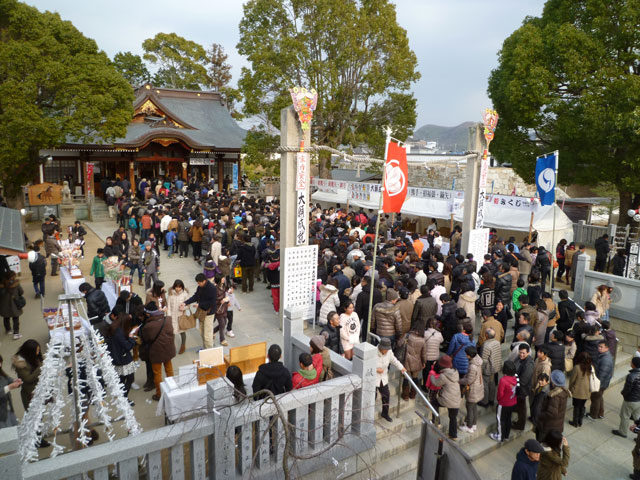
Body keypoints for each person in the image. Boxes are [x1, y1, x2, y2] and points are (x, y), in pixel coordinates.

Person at [140, 301, 175, 401]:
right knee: (169, 370)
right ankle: (172, 389)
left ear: (148, 314)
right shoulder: (168, 319)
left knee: (157, 373)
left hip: (156, 353)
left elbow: (146, 339)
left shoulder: (148, 326)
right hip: (168, 349)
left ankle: (159, 394)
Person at [103, 312, 137, 403]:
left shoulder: (113, 329)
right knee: (130, 379)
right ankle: (124, 399)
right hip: (123, 359)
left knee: (121, 379)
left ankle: (121, 396)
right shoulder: (119, 333)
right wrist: (131, 338)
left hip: (116, 358)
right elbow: (127, 346)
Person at [183, 273, 218, 349]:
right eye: (197, 282)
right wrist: (185, 303)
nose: (198, 284)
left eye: (199, 282)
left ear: (204, 281)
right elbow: (196, 296)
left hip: (209, 313)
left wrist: (200, 304)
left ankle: (210, 350)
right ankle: (205, 347)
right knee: (201, 332)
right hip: (201, 312)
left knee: (207, 334)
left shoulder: (212, 288)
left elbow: (212, 302)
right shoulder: (200, 287)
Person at [429, 354, 460, 439]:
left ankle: (436, 422)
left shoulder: (444, 376)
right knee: (453, 417)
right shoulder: (455, 372)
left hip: (447, 398)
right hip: (456, 399)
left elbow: (435, 382)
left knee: (433, 403)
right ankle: (453, 435)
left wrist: (431, 375)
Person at [376, 337, 406, 423]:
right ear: (381, 347)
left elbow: (394, 360)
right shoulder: (373, 352)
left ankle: (385, 413)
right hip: (373, 378)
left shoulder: (389, 352)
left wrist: (401, 367)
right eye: (385, 349)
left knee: (386, 395)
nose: (386, 351)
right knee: (372, 397)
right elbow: (367, 364)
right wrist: (376, 369)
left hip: (383, 378)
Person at [536, 370, 570, 441]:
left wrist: (540, 415)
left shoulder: (555, 396)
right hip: (556, 426)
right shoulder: (563, 392)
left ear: (554, 383)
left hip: (548, 427)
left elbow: (552, 413)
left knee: (542, 445)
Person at [490, 360, 517, 443]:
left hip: (503, 403)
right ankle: (506, 435)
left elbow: (500, 393)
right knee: (508, 419)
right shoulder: (515, 378)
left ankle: (499, 436)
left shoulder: (503, 380)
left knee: (500, 420)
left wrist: (499, 400)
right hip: (512, 402)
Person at [612, 356, 640, 438]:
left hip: (630, 400)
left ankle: (622, 432)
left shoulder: (631, 376)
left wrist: (623, 393)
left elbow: (627, 389)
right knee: (637, 417)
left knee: (624, 416)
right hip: (639, 400)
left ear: (634, 365)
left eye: (631, 362)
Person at [400, 318, 427, 400]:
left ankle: (405, 396)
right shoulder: (423, 340)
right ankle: (413, 394)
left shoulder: (407, 336)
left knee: (406, 378)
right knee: (415, 378)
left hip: (406, 360)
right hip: (417, 362)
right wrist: (424, 362)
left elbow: (399, 344)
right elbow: (424, 354)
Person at [459, 346, 483, 433]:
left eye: (466, 354)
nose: (465, 355)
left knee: (469, 407)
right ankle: (473, 424)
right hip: (478, 387)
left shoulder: (473, 366)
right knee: (474, 407)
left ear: (469, 355)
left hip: (473, 390)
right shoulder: (478, 360)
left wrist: (459, 381)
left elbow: (469, 380)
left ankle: (469, 426)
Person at [587, 340, 614, 420]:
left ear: (607, 348)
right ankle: (600, 413)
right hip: (602, 383)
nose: (599, 348)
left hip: (599, 384)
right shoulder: (603, 355)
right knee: (599, 398)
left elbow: (602, 375)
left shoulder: (606, 359)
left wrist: (596, 384)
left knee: (595, 399)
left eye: (601, 347)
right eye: (599, 346)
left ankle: (593, 415)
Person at [513, 343, 534, 430]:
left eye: (523, 353)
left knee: (522, 408)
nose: (521, 355)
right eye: (520, 352)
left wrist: (514, 382)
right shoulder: (519, 359)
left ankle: (520, 424)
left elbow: (524, 381)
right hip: (517, 387)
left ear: (528, 353)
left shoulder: (528, 364)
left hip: (522, 389)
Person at [568, 352, 592, 428]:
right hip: (586, 391)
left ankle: (575, 422)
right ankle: (580, 421)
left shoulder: (577, 367)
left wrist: (570, 388)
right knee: (582, 406)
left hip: (577, 390)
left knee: (576, 407)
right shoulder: (590, 367)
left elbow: (572, 379)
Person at [479, 328, 502, 407]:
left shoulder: (486, 345)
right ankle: (491, 399)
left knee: (485, 384)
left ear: (486, 335)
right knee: (492, 383)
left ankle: (485, 401)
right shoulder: (497, 342)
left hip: (488, 368)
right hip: (495, 367)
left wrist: (481, 369)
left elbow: (484, 360)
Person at [168, 280, 190, 355]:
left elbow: (188, 305)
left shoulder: (185, 294)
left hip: (181, 316)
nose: (178, 289)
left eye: (179, 287)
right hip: (172, 316)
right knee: (172, 333)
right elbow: (168, 306)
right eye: (177, 287)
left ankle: (183, 346)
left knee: (182, 332)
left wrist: (183, 308)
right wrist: (168, 316)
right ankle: (172, 347)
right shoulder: (171, 294)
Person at [0, 271, 24, 340]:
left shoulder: (2, 286)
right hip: (14, 305)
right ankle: (16, 333)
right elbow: (21, 292)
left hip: (4, 305)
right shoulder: (16, 284)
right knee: (15, 318)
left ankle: (8, 330)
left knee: (6, 317)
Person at [0, 354, 21, 429]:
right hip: (2, 415)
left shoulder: (1, 373)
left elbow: (7, 379)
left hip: (8, 408)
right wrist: (9, 387)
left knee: (16, 428)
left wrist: (14, 381)